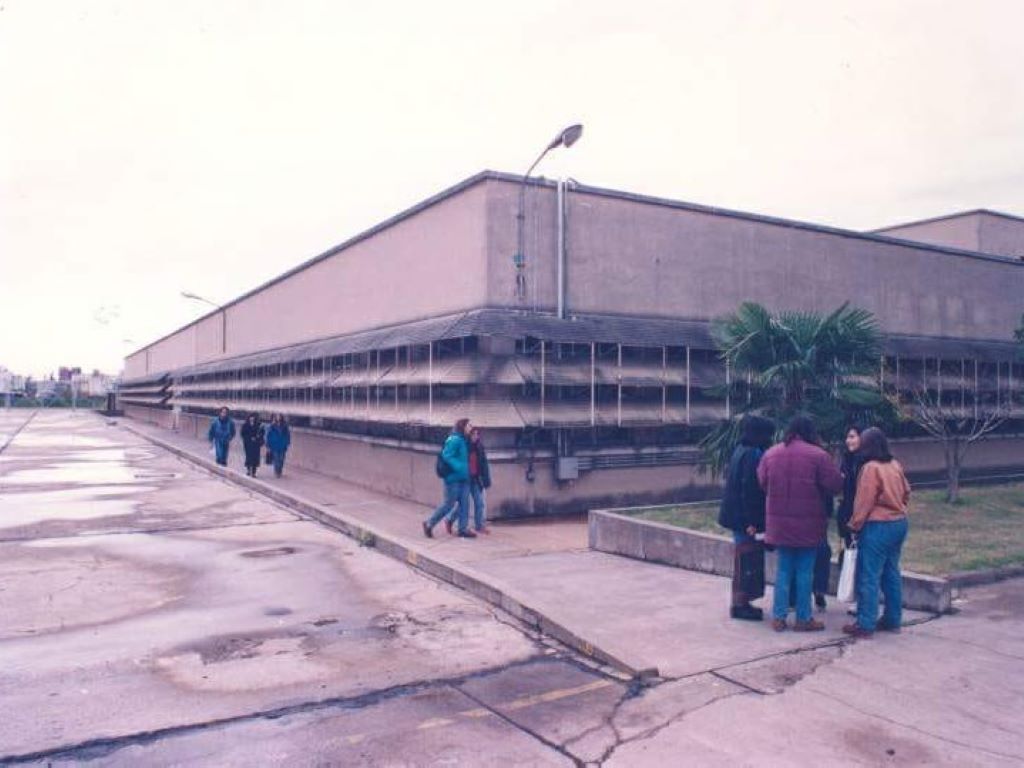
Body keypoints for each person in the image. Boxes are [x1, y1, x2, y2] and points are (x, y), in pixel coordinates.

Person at [758, 415, 844, 632]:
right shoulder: (818, 456)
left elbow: (761, 481)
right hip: (809, 524)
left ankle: (778, 617)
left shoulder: (772, 453)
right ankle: (803, 619)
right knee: (805, 571)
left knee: (783, 570)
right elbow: (835, 484)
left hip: (779, 524)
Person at [843, 427, 910, 639]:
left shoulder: (870, 468)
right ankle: (893, 618)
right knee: (891, 572)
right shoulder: (894, 464)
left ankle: (865, 623)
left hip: (878, 525)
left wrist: (854, 524)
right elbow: (907, 491)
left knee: (869, 575)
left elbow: (864, 501)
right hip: (899, 522)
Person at [717, 415, 775, 621]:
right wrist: (752, 522)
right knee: (746, 560)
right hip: (743, 517)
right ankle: (741, 604)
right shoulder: (753, 454)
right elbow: (749, 490)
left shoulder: (740, 450)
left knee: (742, 559)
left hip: (735, 514)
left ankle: (741, 602)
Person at [422, 418, 475, 539]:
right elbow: (446, 455)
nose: (471, 427)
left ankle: (462, 529)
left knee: (464, 504)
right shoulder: (454, 439)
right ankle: (429, 523)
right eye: (469, 425)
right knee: (448, 504)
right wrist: (459, 467)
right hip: (453, 478)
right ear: (462, 426)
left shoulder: (464, 440)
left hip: (464, 478)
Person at [445, 426, 492, 535]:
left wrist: (486, 479)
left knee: (479, 503)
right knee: (463, 504)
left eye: (477, 434)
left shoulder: (479, 447)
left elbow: (484, 464)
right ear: (469, 435)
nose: (476, 437)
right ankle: (450, 520)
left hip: (475, 479)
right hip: (465, 479)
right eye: (474, 434)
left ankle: (479, 526)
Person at [266, 413, 291, 478]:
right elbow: (268, 435)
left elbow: (288, 435)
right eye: (276, 416)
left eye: (279, 416)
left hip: (282, 445)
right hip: (274, 445)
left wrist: (287, 442)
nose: (278, 418)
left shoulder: (285, 425)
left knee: (281, 459)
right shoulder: (272, 426)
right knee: (276, 459)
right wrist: (268, 445)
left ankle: (280, 470)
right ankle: (277, 472)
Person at [240, 412, 265, 477]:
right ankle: (248, 469)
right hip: (248, 443)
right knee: (248, 457)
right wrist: (249, 438)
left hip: (256, 444)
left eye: (253, 417)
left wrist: (257, 438)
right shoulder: (245, 425)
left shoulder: (259, 425)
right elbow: (243, 434)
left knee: (255, 458)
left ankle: (253, 472)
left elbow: (262, 434)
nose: (252, 418)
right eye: (251, 417)